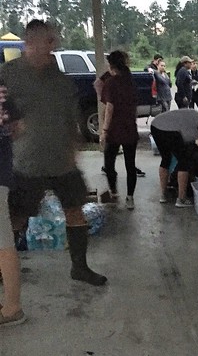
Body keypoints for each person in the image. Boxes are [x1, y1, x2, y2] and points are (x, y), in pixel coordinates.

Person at [0, 19, 106, 286]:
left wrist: (75, 145)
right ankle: (4, 270)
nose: (51, 46)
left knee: (75, 212)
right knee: (16, 218)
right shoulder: (8, 74)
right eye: (45, 41)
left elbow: (71, 118)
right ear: (29, 43)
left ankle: (79, 267)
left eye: (52, 41)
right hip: (26, 162)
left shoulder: (60, 79)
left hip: (63, 162)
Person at [150, 108, 198, 207]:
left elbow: (189, 143)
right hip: (170, 130)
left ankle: (163, 195)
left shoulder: (196, 118)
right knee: (184, 162)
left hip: (156, 126)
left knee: (166, 159)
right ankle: (181, 199)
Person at [94, 52, 146, 178]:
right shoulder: (117, 77)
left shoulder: (124, 77)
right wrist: (105, 97)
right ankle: (116, 174)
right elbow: (98, 84)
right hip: (121, 122)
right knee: (118, 154)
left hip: (120, 122)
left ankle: (113, 178)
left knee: (113, 153)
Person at [0, 84, 26, 326]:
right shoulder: (5, 92)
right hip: (3, 170)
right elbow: (18, 128)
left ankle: (12, 307)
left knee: (2, 241)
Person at [100, 50, 139, 210]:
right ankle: (130, 197)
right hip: (130, 128)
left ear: (111, 65)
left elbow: (109, 108)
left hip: (115, 130)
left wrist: (104, 130)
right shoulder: (130, 80)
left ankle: (114, 192)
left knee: (109, 163)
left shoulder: (111, 82)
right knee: (130, 165)